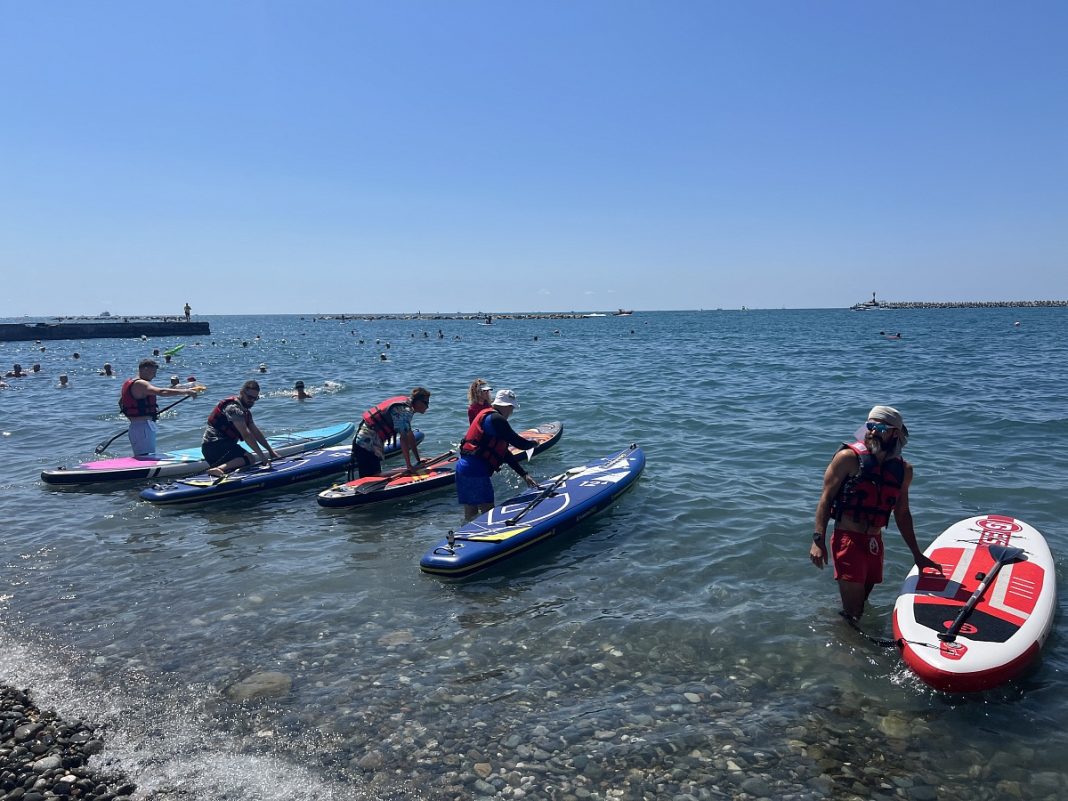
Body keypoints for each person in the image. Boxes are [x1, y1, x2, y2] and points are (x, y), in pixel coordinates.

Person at [810, 405, 941, 620]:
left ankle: (839, 622)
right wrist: (818, 540)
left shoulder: (903, 470)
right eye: (869, 426)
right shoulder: (848, 458)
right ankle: (846, 637)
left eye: (880, 428)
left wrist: (917, 554)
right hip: (848, 540)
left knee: (862, 603)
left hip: (874, 543)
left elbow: (902, 513)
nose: (872, 431)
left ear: (895, 433)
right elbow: (826, 498)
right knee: (855, 612)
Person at [456, 389, 540, 522]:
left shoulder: (486, 416)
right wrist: (535, 443)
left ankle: (466, 533)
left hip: (463, 468)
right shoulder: (497, 419)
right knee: (488, 513)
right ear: (506, 406)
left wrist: (524, 474)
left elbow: (504, 452)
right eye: (512, 408)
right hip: (476, 470)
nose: (511, 412)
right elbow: (519, 443)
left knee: (471, 513)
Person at [119, 358, 200, 456]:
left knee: (144, 456)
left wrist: (134, 420)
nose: (155, 376)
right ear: (145, 369)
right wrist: (186, 391)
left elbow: (121, 403)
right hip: (142, 428)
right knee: (146, 457)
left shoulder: (130, 382)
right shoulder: (140, 383)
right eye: (153, 372)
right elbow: (161, 392)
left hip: (137, 427)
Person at [201, 380, 279, 478]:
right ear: (242, 393)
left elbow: (256, 433)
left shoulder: (246, 413)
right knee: (250, 458)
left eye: (255, 398)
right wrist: (262, 457)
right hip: (214, 447)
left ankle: (220, 470)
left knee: (243, 465)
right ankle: (220, 469)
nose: (252, 401)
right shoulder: (233, 408)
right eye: (249, 397)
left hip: (221, 448)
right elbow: (246, 435)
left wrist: (271, 451)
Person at [351, 387, 430, 477]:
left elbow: (410, 435)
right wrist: (409, 466)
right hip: (367, 444)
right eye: (426, 403)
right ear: (418, 401)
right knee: (373, 477)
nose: (427, 406)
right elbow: (404, 438)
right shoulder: (404, 411)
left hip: (366, 441)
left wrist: (418, 460)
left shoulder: (405, 407)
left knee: (373, 475)